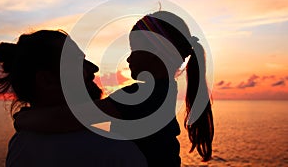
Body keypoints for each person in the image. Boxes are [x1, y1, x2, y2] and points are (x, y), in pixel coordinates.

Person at [13, 11, 214, 166]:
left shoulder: (142, 95)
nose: (128, 57)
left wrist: (26, 119)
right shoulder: (162, 93)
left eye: (134, 50)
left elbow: (76, 117)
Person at [0, 30, 147, 167]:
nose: (94, 68)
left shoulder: (19, 146)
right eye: (78, 61)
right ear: (47, 80)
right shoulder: (115, 151)